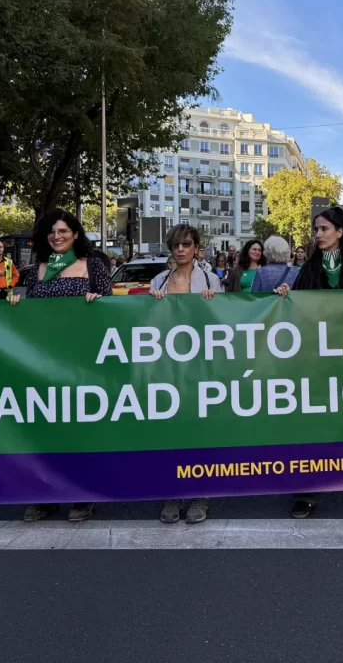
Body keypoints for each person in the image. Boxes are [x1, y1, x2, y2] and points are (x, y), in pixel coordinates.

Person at [275, 208, 343, 519]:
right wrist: (284, 296)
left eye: (324, 228)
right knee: (312, 428)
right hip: (315, 362)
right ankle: (306, 492)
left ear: (340, 231)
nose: (318, 234)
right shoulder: (307, 269)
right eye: (316, 229)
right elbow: (293, 310)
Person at [8, 209, 112, 524]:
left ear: (76, 235)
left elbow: (113, 313)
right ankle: (46, 495)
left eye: (64, 231)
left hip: (83, 363)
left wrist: (100, 301)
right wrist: (14, 303)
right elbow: (20, 315)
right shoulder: (32, 271)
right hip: (42, 366)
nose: (58, 236)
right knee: (44, 431)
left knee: (79, 431)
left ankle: (82, 495)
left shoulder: (93, 267)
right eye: (52, 232)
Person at [148, 224, 222, 524]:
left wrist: (211, 305)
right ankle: (173, 492)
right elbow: (146, 324)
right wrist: (150, 306)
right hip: (168, 368)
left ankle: (201, 494)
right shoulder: (158, 281)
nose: (181, 250)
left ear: (195, 248)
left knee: (200, 430)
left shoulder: (211, 280)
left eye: (187, 244)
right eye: (176, 245)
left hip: (201, 367)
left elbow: (224, 324)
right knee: (171, 432)